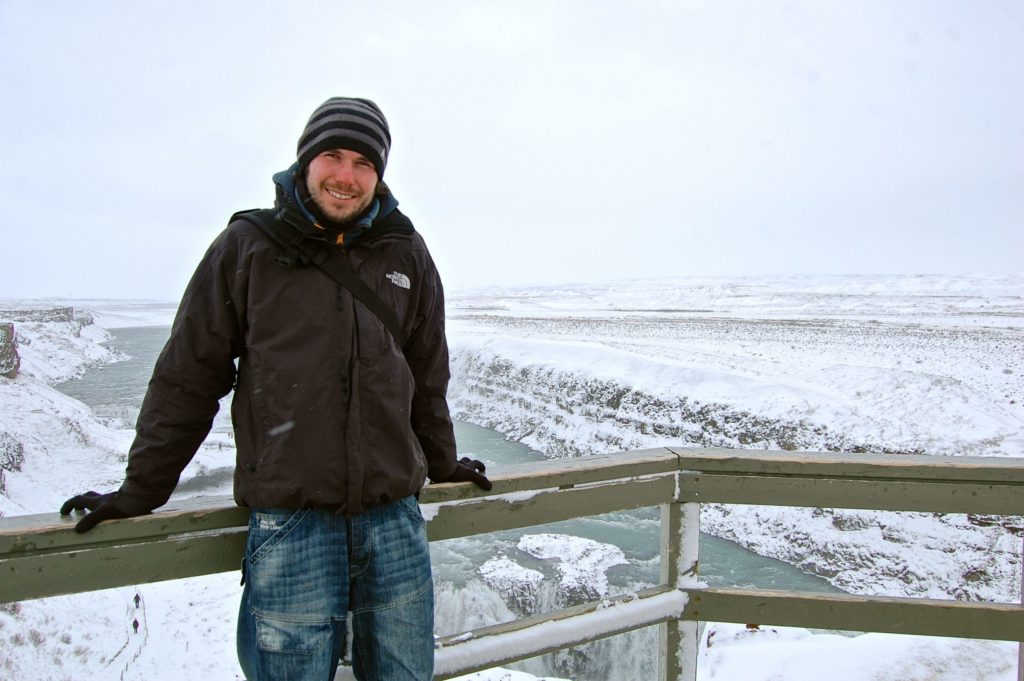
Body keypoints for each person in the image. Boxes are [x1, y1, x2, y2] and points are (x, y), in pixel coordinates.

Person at [60, 97, 491, 681]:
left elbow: (424, 375)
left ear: (380, 175)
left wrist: (440, 464)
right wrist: (141, 490)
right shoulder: (249, 247)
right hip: (293, 524)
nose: (346, 175)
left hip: (394, 519)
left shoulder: (405, 251)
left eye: (364, 163)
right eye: (333, 156)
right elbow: (189, 376)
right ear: (306, 161)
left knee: (404, 673)